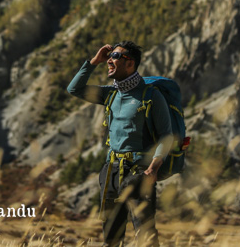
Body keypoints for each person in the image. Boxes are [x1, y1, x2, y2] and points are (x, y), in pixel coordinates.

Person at [67, 41, 173, 247]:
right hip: (111, 172)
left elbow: (166, 136)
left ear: (130, 63)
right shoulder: (111, 94)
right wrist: (93, 61)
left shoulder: (151, 95)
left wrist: (152, 170)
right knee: (111, 238)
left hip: (139, 172)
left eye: (115, 56)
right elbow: (74, 89)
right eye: (110, 56)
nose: (109, 60)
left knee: (146, 236)